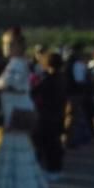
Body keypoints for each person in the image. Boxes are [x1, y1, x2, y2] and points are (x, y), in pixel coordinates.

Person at [0, 27, 48, 188]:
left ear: (20, 46)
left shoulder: (16, 64)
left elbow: (10, 84)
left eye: (10, 44)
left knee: (16, 147)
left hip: (16, 108)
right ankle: (17, 186)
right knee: (18, 147)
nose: (7, 48)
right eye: (5, 44)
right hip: (17, 106)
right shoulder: (19, 63)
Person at [33, 51, 68, 181]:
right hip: (58, 114)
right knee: (55, 143)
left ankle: (50, 169)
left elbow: (35, 91)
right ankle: (56, 168)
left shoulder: (47, 79)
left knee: (45, 144)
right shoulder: (62, 78)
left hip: (45, 115)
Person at [64, 44, 93, 148]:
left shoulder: (67, 63)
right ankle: (69, 140)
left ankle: (68, 139)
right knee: (72, 117)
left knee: (70, 116)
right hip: (75, 93)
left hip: (69, 93)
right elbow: (79, 81)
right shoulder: (77, 64)